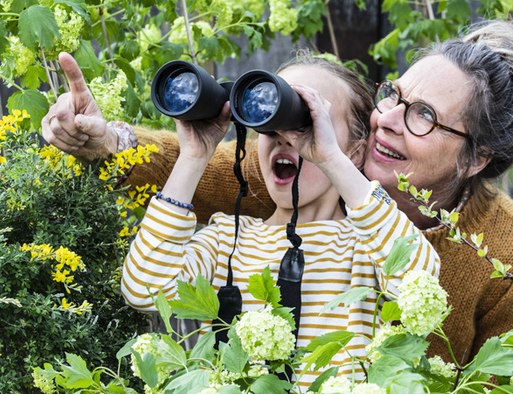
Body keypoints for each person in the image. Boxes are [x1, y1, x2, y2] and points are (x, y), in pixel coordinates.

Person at [43, 20, 513, 365]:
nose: (387, 121)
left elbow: (423, 284)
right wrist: (108, 141)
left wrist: (332, 159)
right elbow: (188, 177)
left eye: (424, 116)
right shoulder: (270, 194)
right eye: (394, 95)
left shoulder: (511, 260)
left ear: (476, 157)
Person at [117, 55, 440, 386]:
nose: (286, 136)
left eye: (306, 120)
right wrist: (194, 156)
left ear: (355, 153)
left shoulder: (367, 247)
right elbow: (145, 289)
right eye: (270, 119)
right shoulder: (226, 240)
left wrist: (330, 158)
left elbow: (420, 278)